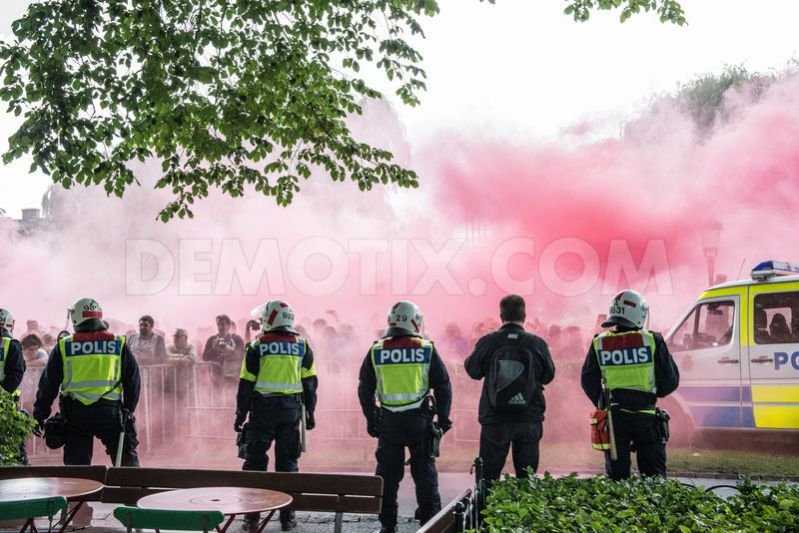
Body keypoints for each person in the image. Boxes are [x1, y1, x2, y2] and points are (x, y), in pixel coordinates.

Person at [358, 301, 453, 533]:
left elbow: (364, 389)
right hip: (420, 423)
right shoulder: (426, 349)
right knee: (425, 476)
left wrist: (371, 419)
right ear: (415, 322)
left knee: (387, 479)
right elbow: (443, 386)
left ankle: (388, 526)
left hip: (389, 424)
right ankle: (430, 525)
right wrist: (443, 419)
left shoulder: (376, 350)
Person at [235, 300, 318, 531]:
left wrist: (240, 415)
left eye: (263, 319)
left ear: (270, 320)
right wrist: (310, 413)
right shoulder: (302, 346)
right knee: (288, 464)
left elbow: (245, 385)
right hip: (291, 412)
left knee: (254, 463)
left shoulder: (257, 346)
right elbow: (310, 383)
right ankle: (287, 519)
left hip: (262, 412)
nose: (261, 322)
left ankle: (252, 518)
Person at [580, 289, 680, 480]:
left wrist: (603, 402)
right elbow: (670, 381)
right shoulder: (652, 340)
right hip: (646, 417)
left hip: (614, 418)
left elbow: (587, 380)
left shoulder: (599, 342)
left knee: (617, 480)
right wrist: (652, 393)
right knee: (654, 482)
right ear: (640, 314)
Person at [33, 297, 141, 467]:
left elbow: (49, 385)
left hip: (77, 415)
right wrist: (128, 410)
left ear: (76, 318)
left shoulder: (64, 346)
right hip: (110, 413)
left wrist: (40, 414)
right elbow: (133, 379)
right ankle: (133, 485)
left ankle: (81, 486)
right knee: (127, 465)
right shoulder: (118, 343)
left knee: (78, 471)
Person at [464, 294, 555, 484]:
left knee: (488, 480)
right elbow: (548, 376)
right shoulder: (536, 343)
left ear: (501, 316)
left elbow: (473, 370)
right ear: (524, 316)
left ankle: (486, 504)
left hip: (495, 418)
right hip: (528, 418)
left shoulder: (488, 341)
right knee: (527, 482)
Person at [1, 307, 28, 464]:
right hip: (7, 406)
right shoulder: (11, 344)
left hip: (5, 404)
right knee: (15, 446)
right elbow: (16, 374)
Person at [203, 314, 245, 390]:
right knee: (217, 396)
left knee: (231, 396)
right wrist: (213, 349)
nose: (220, 327)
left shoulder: (236, 339)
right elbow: (205, 357)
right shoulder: (212, 339)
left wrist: (231, 351)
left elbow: (242, 355)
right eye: (218, 325)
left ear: (228, 326)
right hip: (216, 378)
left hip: (232, 377)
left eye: (223, 324)